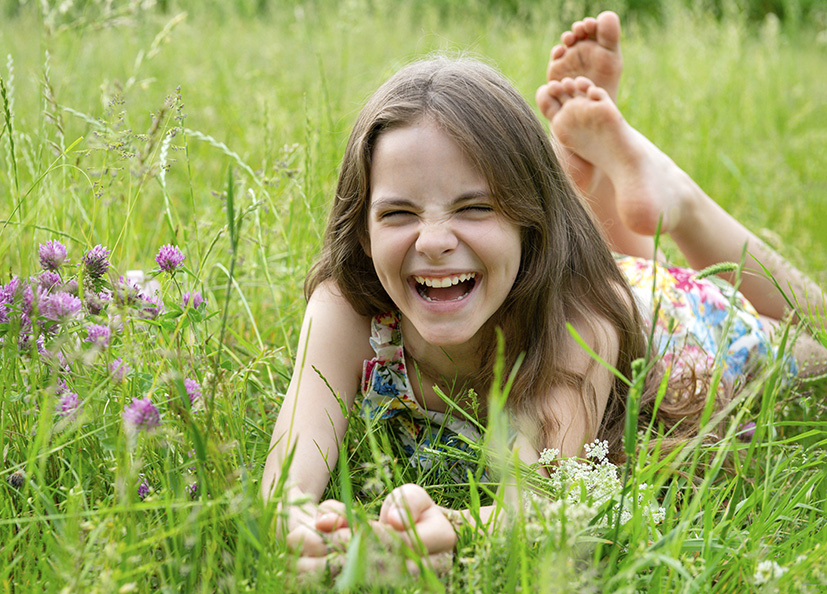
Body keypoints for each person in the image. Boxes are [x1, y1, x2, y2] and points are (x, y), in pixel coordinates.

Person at [261, 11, 827, 578]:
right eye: (398, 213)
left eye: (475, 206)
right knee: (599, 267)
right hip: (575, 274)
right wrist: (303, 530)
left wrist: (446, 532)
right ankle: (599, 188)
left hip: (676, 322)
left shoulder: (576, 326)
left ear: (532, 224)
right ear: (362, 229)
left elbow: (541, 506)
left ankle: (674, 195)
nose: (432, 242)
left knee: (818, 342)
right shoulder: (347, 310)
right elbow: (288, 474)